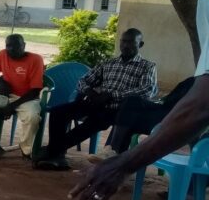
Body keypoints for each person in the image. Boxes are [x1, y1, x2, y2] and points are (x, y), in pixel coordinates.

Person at [73, 0, 209, 200]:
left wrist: (124, 165)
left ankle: (115, 153)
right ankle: (112, 149)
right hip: (153, 109)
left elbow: (201, 103)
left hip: (162, 110)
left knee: (133, 104)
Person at [35, 29, 157, 171]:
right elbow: (83, 80)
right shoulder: (108, 63)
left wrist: (111, 95)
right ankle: (57, 154)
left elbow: (147, 90)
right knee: (58, 112)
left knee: (92, 123)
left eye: (131, 42)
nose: (126, 45)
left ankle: (52, 152)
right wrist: (90, 92)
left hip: (119, 108)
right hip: (96, 101)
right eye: (123, 41)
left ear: (140, 44)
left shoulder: (147, 66)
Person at [0, 34, 45, 160]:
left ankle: (26, 150)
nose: (11, 49)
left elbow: (35, 90)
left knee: (32, 117)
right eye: (8, 46)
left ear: (24, 46)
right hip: (6, 97)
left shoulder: (36, 59)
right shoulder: (2, 55)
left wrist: (12, 106)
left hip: (27, 99)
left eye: (16, 46)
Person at [105, 76, 194, 154]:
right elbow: (167, 100)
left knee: (127, 117)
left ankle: (112, 153)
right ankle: (111, 152)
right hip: (164, 109)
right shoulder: (194, 79)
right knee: (130, 102)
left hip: (174, 118)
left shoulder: (202, 86)